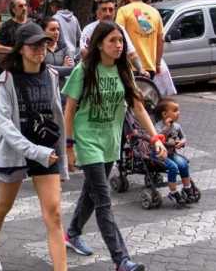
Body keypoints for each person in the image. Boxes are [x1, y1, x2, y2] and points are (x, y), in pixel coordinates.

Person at [62, 21, 167, 271]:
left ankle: (72, 233)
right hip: (88, 142)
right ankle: (121, 260)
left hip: (110, 142)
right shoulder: (84, 70)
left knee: (91, 191)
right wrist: (69, 146)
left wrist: (155, 138)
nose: (118, 45)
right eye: (112, 41)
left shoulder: (123, 71)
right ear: (99, 44)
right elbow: (69, 110)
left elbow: (138, 107)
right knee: (103, 200)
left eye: (120, 41)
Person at [0, 22, 69, 271]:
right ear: (20, 49)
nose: (40, 50)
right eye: (33, 45)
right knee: (4, 206)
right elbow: (7, 128)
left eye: (43, 44)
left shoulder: (51, 75)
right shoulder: (5, 81)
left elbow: (57, 116)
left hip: (47, 153)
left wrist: (61, 155)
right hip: (17, 153)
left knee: (54, 215)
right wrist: (37, 152)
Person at [152, 98, 197, 207]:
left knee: (183, 164)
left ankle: (187, 188)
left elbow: (184, 137)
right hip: (159, 155)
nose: (178, 113)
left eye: (178, 110)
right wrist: (167, 128)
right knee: (173, 167)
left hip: (171, 153)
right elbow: (156, 138)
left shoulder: (177, 126)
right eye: (175, 110)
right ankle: (173, 192)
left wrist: (181, 142)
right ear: (164, 114)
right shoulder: (158, 126)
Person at [80, 0, 142, 73]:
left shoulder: (120, 29)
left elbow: (132, 54)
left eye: (111, 10)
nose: (108, 13)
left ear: (114, 12)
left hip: (115, 73)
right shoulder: (89, 30)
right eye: (104, 10)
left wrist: (141, 70)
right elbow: (84, 52)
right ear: (97, 12)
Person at [116, 0, 164, 79]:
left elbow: (117, 34)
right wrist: (158, 64)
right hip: (149, 66)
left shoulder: (123, 11)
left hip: (130, 66)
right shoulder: (155, 12)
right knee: (145, 93)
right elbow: (161, 39)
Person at [40, 16, 75, 82]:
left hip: (61, 89)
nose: (56, 32)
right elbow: (41, 69)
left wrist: (49, 67)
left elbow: (71, 69)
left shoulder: (64, 47)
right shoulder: (40, 48)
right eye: (52, 29)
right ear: (43, 31)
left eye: (58, 29)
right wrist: (63, 67)